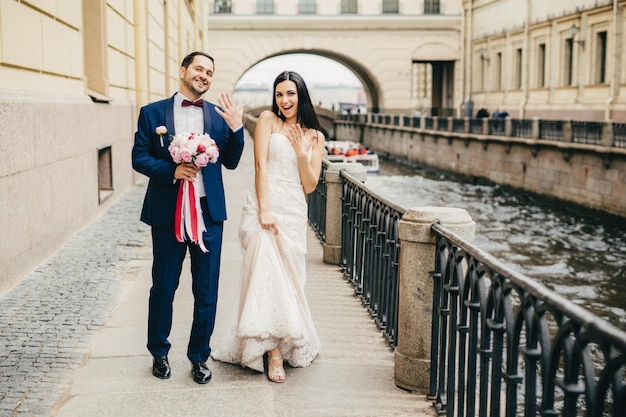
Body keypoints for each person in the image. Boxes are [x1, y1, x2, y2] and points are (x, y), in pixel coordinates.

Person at [131, 51, 245, 384]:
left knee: (206, 291)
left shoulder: (218, 116)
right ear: (183, 71)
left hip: (208, 216)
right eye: (198, 68)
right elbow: (139, 157)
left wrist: (236, 129)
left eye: (210, 71)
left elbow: (233, 162)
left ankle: (198, 357)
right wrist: (172, 169)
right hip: (168, 214)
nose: (204, 75)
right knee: (163, 287)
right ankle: (159, 353)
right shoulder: (153, 114)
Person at [211, 70, 325, 383]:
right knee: (265, 270)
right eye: (279, 94)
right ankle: (272, 352)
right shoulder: (266, 120)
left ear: (301, 94)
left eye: (290, 93)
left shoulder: (316, 136)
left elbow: (311, 184)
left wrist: (303, 155)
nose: (284, 100)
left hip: (293, 208)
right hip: (265, 204)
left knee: (289, 279)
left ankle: (282, 339)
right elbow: (260, 165)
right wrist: (264, 209)